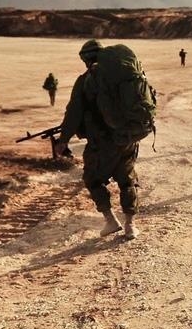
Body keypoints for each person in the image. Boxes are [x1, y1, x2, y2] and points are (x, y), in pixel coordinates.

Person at [54, 40, 144, 240]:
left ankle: (111, 221)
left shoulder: (86, 80)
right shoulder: (124, 75)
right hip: (127, 138)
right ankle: (130, 226)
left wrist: (63, 139)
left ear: (86, 59)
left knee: (92, 178)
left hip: (102, 142)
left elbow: (74, 113)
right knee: (127, 180)